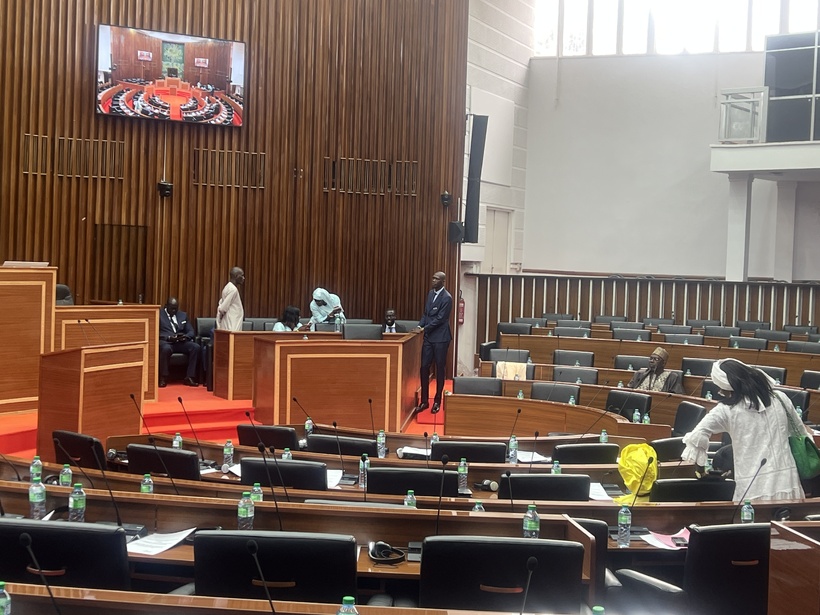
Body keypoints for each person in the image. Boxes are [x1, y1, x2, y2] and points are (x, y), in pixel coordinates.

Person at [682, 358, 808, 501]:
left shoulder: (726, 410)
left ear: (729, 386)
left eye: (720, 387)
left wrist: (701, 472)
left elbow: (697, 435)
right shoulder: (780, 398)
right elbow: (800, 432)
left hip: (752, 488)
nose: (719, 391)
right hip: (788, 482)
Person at [416, 271, 453, 414]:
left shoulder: (447, 298)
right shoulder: (430, 294)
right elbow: (426, 314)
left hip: (441, 338)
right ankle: (424, 401)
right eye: (433, 278)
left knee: (439, 368)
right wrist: (419, 326)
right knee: (424, 367)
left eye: (436, 279)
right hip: (429, 337)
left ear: (443, 282)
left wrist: (425, 328)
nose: (433, 280)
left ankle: (437, 401)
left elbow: (441, 319)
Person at [158, 297, 199, 388]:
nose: (174, 311)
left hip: (180, 342)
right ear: (166, 306)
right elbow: (155, 332)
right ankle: (163, 377)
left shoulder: (182, 315)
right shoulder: (159, 315)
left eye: (176, 308)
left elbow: (191, 331)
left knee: (195, 347)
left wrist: (185, 336)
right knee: (166, 349)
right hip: (167, 342)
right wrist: (168, 338)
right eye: (172, 308)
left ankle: (189, 377)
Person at [216, 267, 245, 331]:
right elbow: (223, 308)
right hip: (232, 324)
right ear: (236, 276)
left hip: (230, 321)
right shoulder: (233, 290)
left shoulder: (228, 286)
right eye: (242, 276)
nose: (243, 278)